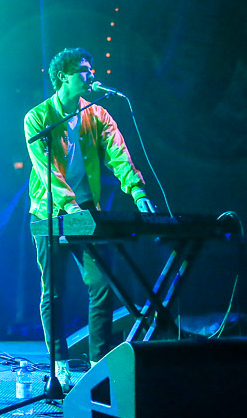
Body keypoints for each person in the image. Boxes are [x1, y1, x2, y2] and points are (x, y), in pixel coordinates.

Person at [23, 47, 155, 389]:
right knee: (53, 291)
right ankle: (59, 366)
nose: (91, 74)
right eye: (83, 70)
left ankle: (98, 365)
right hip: (49, 211)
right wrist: (70, 208)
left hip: (85, 209)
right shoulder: (38, 118)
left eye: (91, 68)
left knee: (100, 285)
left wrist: (138, 192)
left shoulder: (97, 114)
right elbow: (47, 171)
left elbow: (119, 155)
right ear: (63, 77)